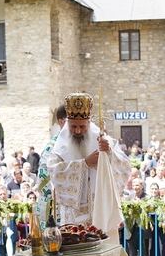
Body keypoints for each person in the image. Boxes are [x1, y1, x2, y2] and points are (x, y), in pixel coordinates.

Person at [46, 93, 131, 227]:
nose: (78, 131)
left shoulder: (103, 140)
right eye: (73, 127)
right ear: (67, 123)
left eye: (82, 127)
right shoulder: (60, 147)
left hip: (100, 209)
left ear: (89, 124)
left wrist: (109, 153)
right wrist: (84, 164)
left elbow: (125, 166)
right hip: (73, 214)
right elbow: (54, 172)